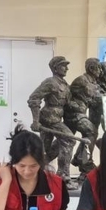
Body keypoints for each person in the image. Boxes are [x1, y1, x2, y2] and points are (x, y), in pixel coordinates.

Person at [0, 125, 70, 210]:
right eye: (22, 166)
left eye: (33, 166)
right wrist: (6, 181)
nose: (27, 171)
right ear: (13, 161)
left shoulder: (57, 184)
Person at [27, 56, 76, 184]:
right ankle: (63, 176)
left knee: (46, 148)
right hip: (49, 119)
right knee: (69, 140)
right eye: (63, 66)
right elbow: (34, 98)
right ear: (55, 68)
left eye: (66, 66)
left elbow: (68, 104)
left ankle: (37, 169)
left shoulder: (65, 85)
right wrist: (36, 121)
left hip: (57, 118)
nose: (66, 68)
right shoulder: (50, 82)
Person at [64, 58, 103, 181]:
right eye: (98, 68)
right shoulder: (81, 80)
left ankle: (81, 160)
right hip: (73, 114)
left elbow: (94, 98)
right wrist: (74, 106)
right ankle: (83, 162)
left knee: (90, 132)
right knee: (91, 131)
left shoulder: (94, 82)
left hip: (81, 113)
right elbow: (66, 96)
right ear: (91, 68)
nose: (100, 71)